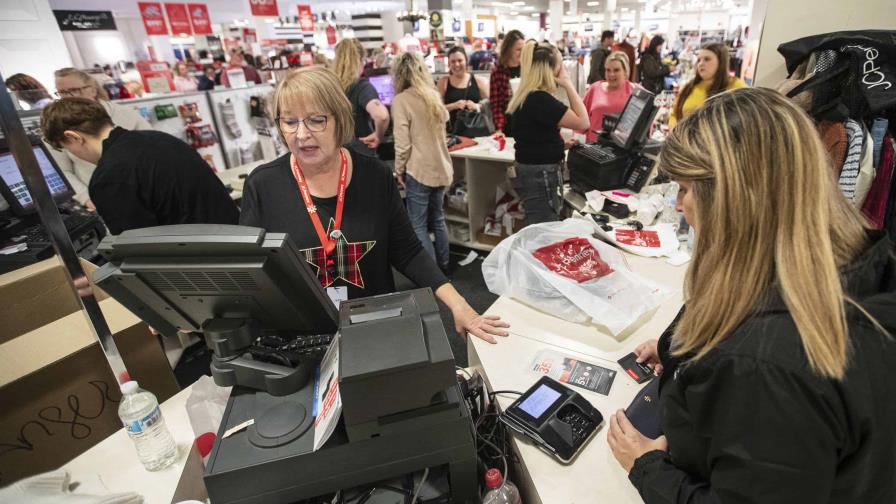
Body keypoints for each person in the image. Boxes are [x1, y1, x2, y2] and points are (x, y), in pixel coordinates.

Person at [606, 87, 896, 503]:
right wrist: (677, 351)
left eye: (686, 188)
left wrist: (646, 468)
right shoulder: (846, 266)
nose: (680, 204)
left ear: (731, 199)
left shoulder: (767, 364)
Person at [238, 66, 509, 343]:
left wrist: (459, 304)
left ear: (340, 119)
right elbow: (250, 273)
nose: (301, 134)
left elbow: (407, 250)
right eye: (289, 121)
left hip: (374, 330)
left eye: (316, 120)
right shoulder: (263, 186)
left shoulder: (374, 176)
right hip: (302, 341)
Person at [40, 98, 239, 235]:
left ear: (73, 137)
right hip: (235, 240)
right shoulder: (160, 139)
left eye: (65, 148)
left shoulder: (109, 177)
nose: (72, 154)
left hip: (204, 269)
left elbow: (139, 253)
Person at [508, 41, 589, 225]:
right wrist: (568, 85)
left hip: (532, 171)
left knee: (538, 225)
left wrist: (559, 145)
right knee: (543, 229)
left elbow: (533, 137)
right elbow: (583, 122)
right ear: (551, 69)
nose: (564, 71)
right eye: (561, 65)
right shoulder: (539, 99)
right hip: (541, 174)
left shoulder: (527, 95)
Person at [51, 67, 152, 208]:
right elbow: (61, 170)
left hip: (142, 196)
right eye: (62, 92)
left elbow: (152, 153)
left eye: (75, 90)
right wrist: (86, 198)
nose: (69, 96)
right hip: (97, 201)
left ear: (93, 90)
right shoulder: (58, 124)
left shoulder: (125, 115)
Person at [392, 53, 453, 273]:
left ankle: (432, 275)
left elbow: (403, 143)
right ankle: (444, 267)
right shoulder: (432, 95)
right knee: (438, 219)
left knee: (417, 224)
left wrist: (397, 170)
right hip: (441, 168)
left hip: (418, 170)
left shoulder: (401, 100)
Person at [332, 38, 390, 155]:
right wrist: (377, 135)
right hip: (361, 153)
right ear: (360, 60)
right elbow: (381, 116)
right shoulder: (361, 86)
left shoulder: (330, 86)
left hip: (336, 152)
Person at [669, 43, 746, 127]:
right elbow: (674, 115)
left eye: (707, 59)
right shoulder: (689, 86)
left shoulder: (736, 87)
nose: (701, 64)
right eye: (699, 60)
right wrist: (674, 131)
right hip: (682, 138)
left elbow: (745, 121)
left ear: (721, 61)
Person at [580, 52, 634, 143]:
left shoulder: (634, 90)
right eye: (608, 70)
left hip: (621, 149)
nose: (611, 74)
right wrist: (579, 140)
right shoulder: (595, 88)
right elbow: (582, 117)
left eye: (616, 70)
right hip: (593, 147)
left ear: (625, 72)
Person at [438, 46, 490, 128]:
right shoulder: (443, 82)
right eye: (453, 61)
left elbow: (491, 106)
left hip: (476, 132)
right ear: (449, 64)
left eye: (460, 60)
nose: (457, 64)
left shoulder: (479, 81)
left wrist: (476, 106)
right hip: (452, 134)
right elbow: (436, 110)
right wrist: (454, 105)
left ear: (466, 61)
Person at [490, 29, 526, 137]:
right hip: (509, 124)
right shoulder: (498, 73)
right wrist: (499, 129)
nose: (522, 53)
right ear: (509, 49)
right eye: (518, 49)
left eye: (524, 49)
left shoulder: (528, 69)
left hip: (529, 123)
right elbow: (497, 105)